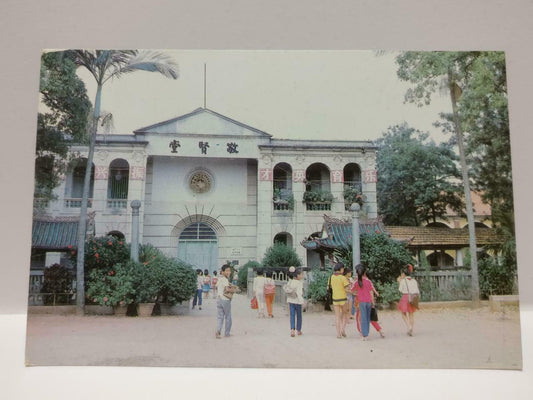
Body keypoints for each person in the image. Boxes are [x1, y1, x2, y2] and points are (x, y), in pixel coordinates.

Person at [351, 264, 375, 341]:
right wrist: (373, 302)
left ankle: (364, 334)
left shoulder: (356, 282)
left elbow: (352, 290)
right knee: (367, 318)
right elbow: (371, 292)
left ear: (357, 273)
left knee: (363, 318)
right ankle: (366, 334)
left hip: (361, 302)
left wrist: (356, 293)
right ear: (365, 272)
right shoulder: (368, 281)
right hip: (369, 302)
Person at [216, 264, 240, 338]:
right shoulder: (225, 279)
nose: (229, 272)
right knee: (228, 316)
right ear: (222, 272)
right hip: (225, 300)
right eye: (227, 271)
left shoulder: (220, 279)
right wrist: (235, 290)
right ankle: (227, 333)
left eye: (229, 271)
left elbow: (217, 286)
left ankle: (218, 331)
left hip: (219, 299)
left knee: (220, 317)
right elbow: (227, 289)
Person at [328, 262, 350, 339]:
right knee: (344, 314)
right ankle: (343, 330)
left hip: (335, 299)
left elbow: (328, 288)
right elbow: (347, 289)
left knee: (337, 316)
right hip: (343, 299)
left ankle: (338, 334)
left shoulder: (331, 277)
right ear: (341, 269)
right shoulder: (343, 278)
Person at [398, 264, 420, 336]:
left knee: (403, 313)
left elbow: (400, 290)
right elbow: (417, 290)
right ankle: (411, 329)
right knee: (411, 314)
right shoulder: (414, 281)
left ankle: (408, 326)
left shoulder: (403, 281)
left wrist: (399, 282)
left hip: (405, 297)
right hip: (412, 297)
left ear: (404, 273)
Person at [286, 267, 305, 337]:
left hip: (291, 300)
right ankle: (299, 330)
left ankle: (292, 330)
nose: (302, 276)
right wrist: (302, 301)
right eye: (301, 274)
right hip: (297, 301)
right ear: (297, 275)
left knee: (292, 315)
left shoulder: (290, 281)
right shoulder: (299, 283)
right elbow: (299, 293)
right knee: (299, 316)